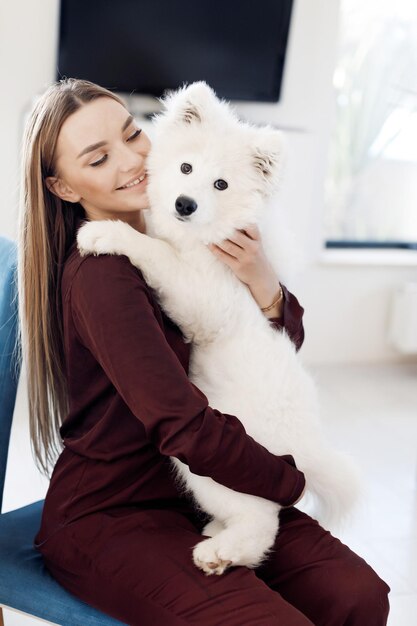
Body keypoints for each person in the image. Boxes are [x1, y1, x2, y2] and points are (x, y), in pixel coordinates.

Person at [17, 77, 390, 625]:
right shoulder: (104, 274)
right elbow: (181, 424)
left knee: (360, 596)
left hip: (204, 489)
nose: (131, 162)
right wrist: (287, 481)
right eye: (98, 159)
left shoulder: (182, 223)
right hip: (115, 512)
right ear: (64, 187)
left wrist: (263, 283)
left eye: (131, 135)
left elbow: (266, 349)